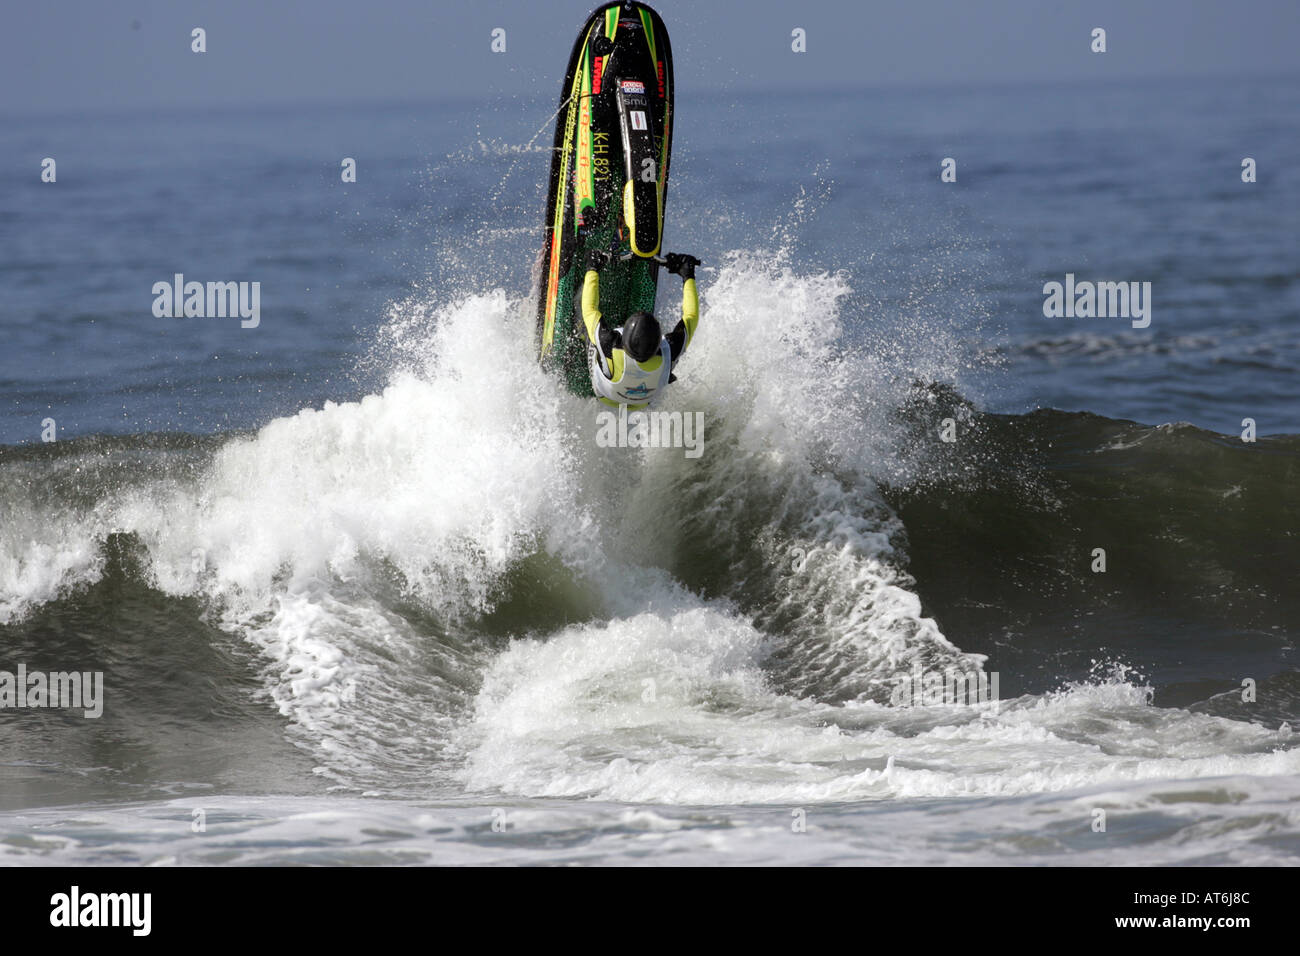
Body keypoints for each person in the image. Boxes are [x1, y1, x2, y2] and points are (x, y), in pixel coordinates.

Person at [582, 250, 701, 407]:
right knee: (668, 364)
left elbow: (589, 310)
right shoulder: (670, 350)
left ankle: (580, 336)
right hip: (642, 404)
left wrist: (592, 269)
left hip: (605, 396)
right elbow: (691, 316)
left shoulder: (609, 344)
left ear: (623, 341)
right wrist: (687, 274)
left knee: (592, 335)